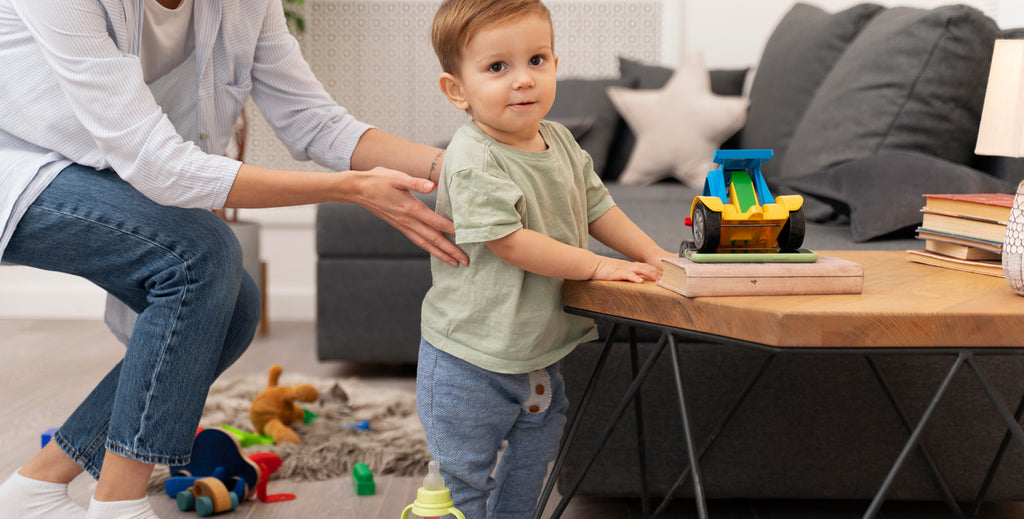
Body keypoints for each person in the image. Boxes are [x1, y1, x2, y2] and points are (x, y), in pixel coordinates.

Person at [0, 0, 468, 518]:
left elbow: (314, 121)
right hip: (13, 164)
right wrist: (345, 189)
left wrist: (464, 166)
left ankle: (34, 489)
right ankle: (118, 505)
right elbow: (157, 163)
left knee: (236, 307)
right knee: (198, 255)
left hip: (85, 170)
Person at [419, 0, 675, 516]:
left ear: (556, 64)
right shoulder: (472, 157)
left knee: (533, 470)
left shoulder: (558, 140)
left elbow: (599, 206)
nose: (523, 80)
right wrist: (598, 265)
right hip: (470, 357)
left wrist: (651, 252)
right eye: (497, 67)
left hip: (538, 352)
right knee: (464, 478)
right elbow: (509, 241)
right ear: (457, 90)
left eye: (536, 60)